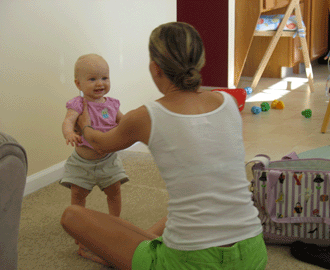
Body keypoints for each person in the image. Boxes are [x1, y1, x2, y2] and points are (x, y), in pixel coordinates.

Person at [61, 22, 268, 269]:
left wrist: (84, 125)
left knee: (72, 216)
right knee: (187, 208)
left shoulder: (146, 115)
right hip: (254, 254)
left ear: (155, 68)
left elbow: (100, 144)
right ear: (199, 61)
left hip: (189, 262)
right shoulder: (228, 102)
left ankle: (132, 251)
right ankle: (143, 244)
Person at [60, 54, 129, 260]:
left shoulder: (113, 104)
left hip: (108, 160)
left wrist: (129, 128)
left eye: (104, 78)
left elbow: (124, 122)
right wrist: (69, 133)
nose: (100, 83)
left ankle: (113, 223)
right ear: (78, 83)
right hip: (82, 163)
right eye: (92, 79)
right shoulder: (78, 104)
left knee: (114, 192)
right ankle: (79, 228)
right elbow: (67, 121)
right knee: (78, 196)